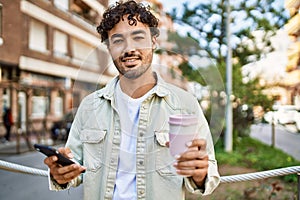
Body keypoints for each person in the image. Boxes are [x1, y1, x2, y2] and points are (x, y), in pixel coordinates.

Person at [44, 1, 220, 199]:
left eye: (138, 38)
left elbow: (209, 173)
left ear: (154, 41)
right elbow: (72, 168)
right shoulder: (89, 106)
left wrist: (199, 174)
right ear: (109, 47)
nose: (129, 49)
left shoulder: (185, 104)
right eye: (118, 40)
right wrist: (60, 173)